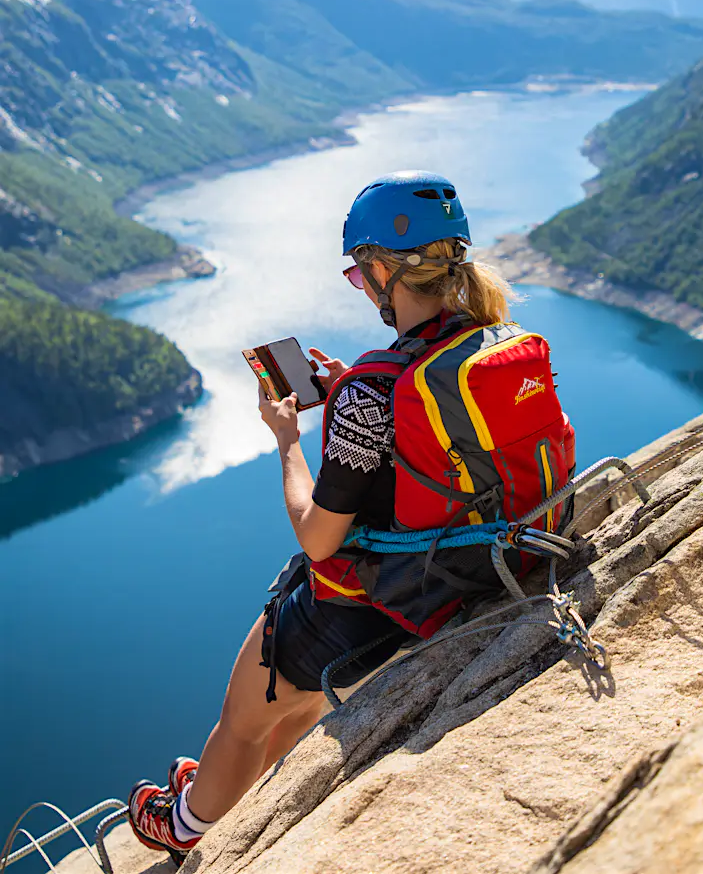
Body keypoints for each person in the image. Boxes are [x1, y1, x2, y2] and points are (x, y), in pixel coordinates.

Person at [127, 171, 575, 865]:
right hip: (466, 572)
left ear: (382, 271)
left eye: (360, 271)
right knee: (294, 708)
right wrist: (356, 394)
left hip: (359, 605)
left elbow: (317, 536)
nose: (360, 285)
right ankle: (242, 801)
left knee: (242, 721)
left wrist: (288, 440)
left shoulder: (374, 388)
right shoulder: (487, 342)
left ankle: (183, 823)